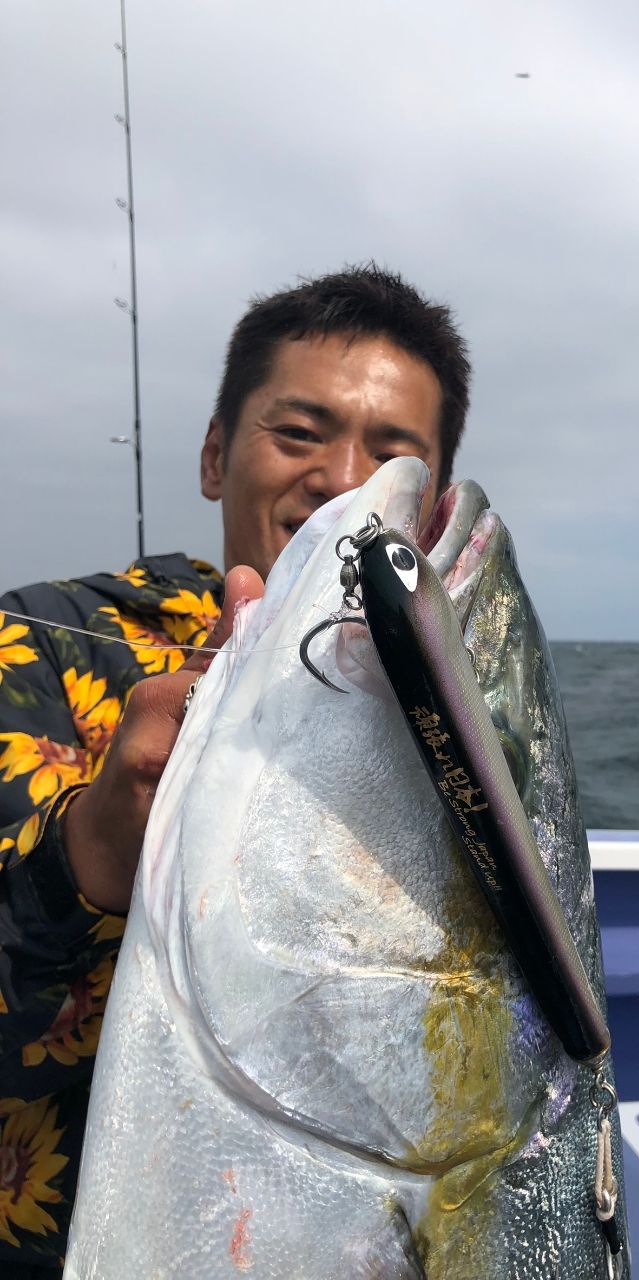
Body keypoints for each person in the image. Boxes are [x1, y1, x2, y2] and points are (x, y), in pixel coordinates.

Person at [0, 263, 470, 1273]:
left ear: (428, 516)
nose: (344, 480)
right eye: (298, 433)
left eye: (393, 459)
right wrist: (85, 856)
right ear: (216, 456)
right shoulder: (38, 649)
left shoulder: (458, 725)